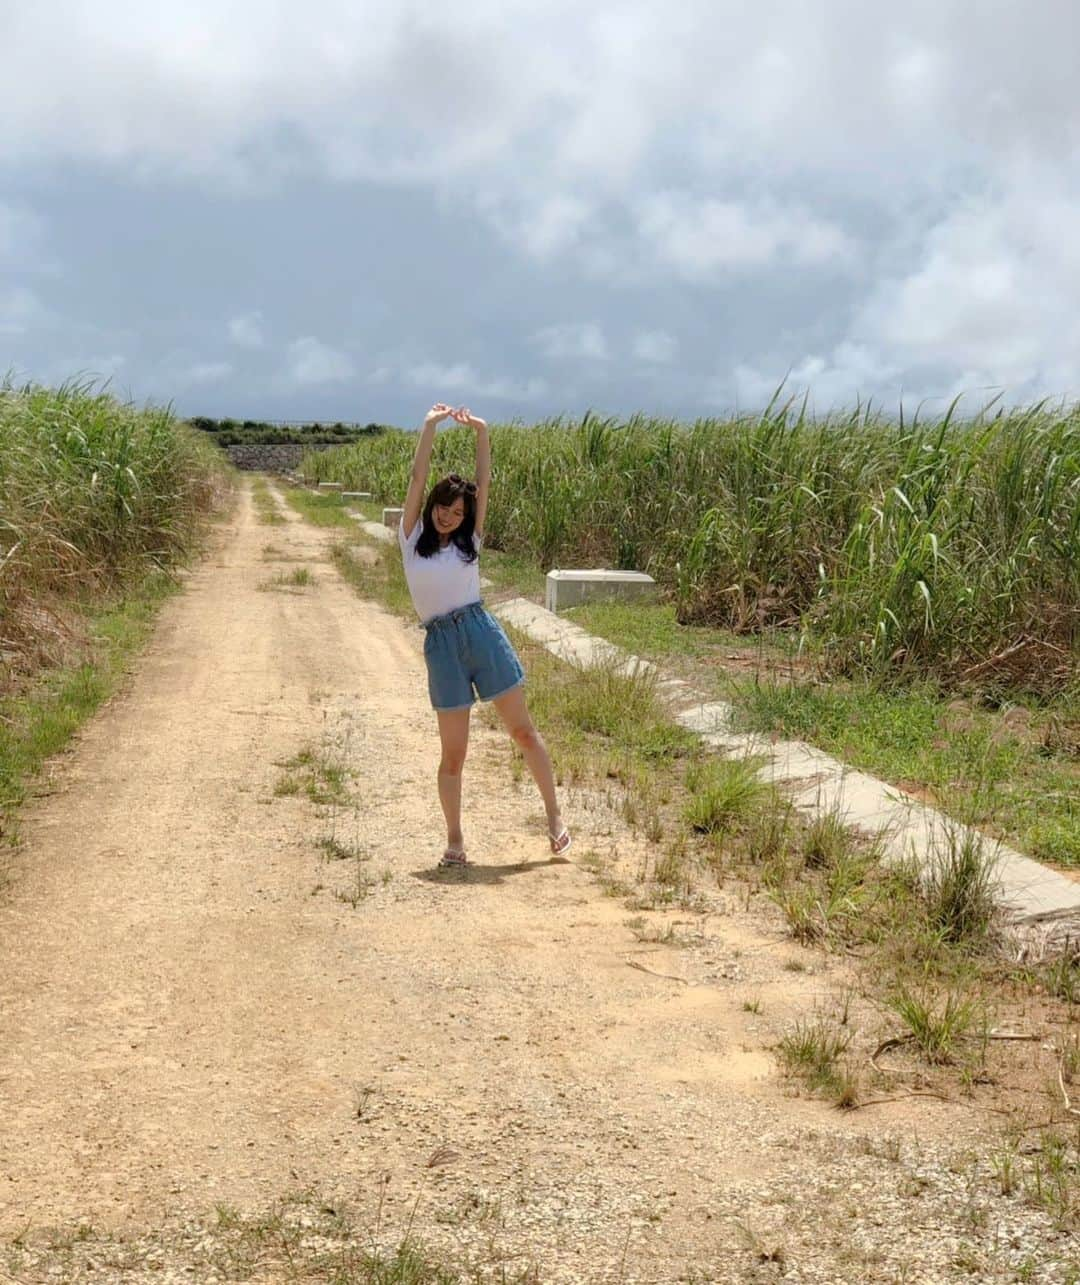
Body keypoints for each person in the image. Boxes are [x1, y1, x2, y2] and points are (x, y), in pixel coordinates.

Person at [398, 401, 571, 868]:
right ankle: (455, 841)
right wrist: (430, 427)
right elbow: (416, 478)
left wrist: (481, 433)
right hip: (441, 645)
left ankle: (554, 819)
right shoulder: (411, 538)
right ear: (432, 506)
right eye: (443, 508)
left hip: (480, 631)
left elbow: (485, 481)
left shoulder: (470, 540)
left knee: (522, 731)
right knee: (452, 755)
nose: (448, 517)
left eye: (457, 511)